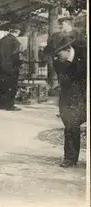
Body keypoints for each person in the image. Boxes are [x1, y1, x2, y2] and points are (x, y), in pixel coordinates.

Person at [43, 27, 86, 168]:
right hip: (71, 95)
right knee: (70, 125)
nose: (55, 58)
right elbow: (66, 81)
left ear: (68, 49)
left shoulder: (84, 54)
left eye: (57, 54)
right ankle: (70, 158)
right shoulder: (59, 61)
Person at [0, 28, 23, 111]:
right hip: (12, 67)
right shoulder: (15, 41)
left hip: (2, 67)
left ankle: (1, 104)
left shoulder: (2, 40)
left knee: (3, 86)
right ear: (17, 32)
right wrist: (19, 63)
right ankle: (9, 105)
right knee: (12, 86)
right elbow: (16, 55)